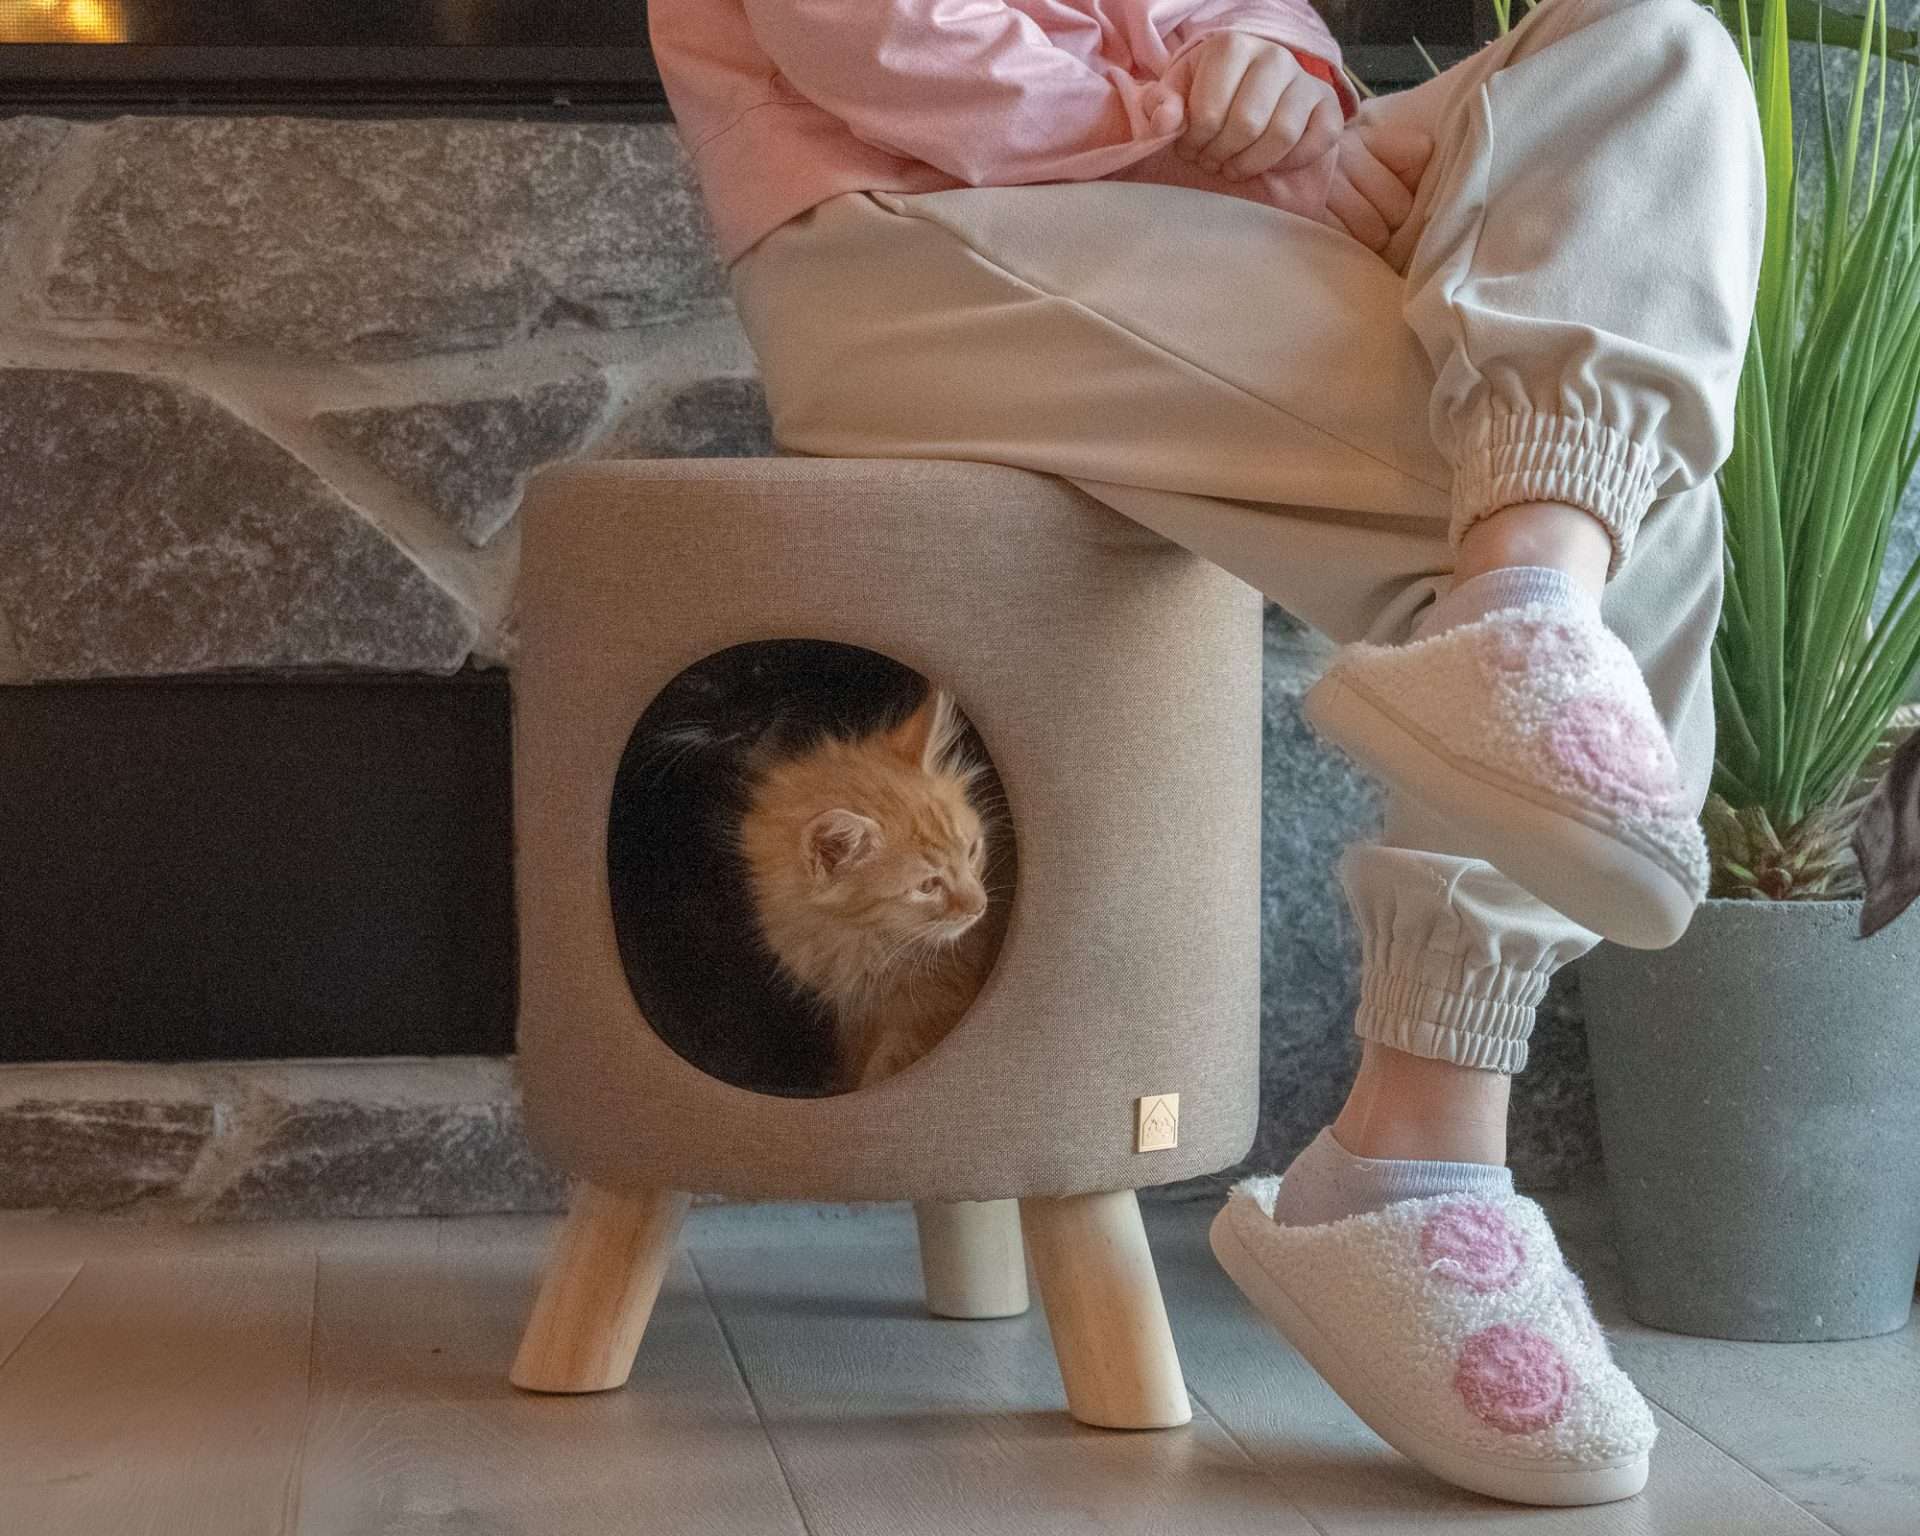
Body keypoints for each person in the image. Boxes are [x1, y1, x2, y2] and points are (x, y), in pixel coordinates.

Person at [649, 0, 1765, 1506]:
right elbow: (883, 40)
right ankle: (1426, 1137)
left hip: (1192, 185)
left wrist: (1275, 76)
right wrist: (1183, 135)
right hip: (907, 224)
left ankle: (1523, 611)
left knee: (1652, 48)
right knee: (1592, 479)